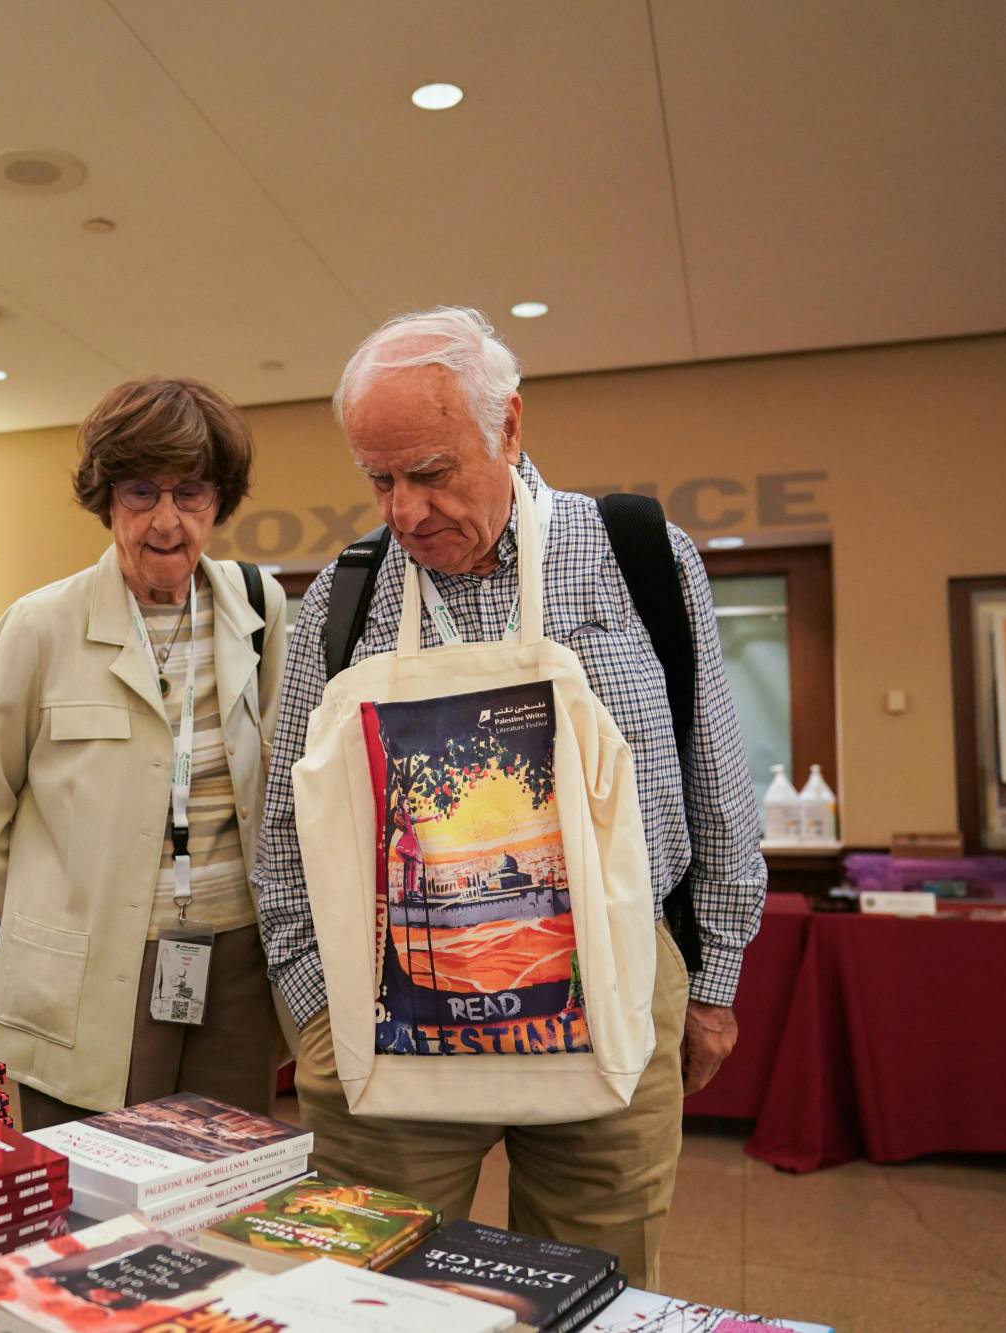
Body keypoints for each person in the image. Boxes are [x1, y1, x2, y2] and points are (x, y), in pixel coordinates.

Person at [252, 307, 767, 1290]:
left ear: (509, 427)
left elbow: (713, 779)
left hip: (615, 985)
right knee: (374, 1290)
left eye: (431, 472)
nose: (403, 510)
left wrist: (708, 981)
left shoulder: (639, 559)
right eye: (378, 477)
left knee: (593, 1284)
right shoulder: (341, 596)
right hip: (385, 1008)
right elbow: (285, 823)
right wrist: (314, 1014)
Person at [0, 376, 289, 1129]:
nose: (166, 519)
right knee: (87, 1181)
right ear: (107, 497)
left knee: (221, 1172)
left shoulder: (260, 610)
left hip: (233, 956)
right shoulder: (40, 625)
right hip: (92, 963)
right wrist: (61, 919)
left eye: (191, 492)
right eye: (141, 491)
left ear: (219, 500)